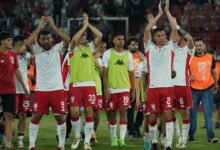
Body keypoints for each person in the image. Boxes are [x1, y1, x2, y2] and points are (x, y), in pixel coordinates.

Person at [25, 16, 70, 150]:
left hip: (57, 89)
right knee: (36, 116)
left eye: (48, 38)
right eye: (43, 39)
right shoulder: (36, 50)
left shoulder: (58, 49)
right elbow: (27, 44)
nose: (46, 40)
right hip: (41, 89)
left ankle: (61, 145)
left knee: (61, 118)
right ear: (39, 40)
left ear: (52, 39)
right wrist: (39, 28)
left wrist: (54, 26)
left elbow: (67, 40)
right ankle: (32, 144)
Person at [143, 0, 178, 149]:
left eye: (164, 35)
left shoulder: (171, 47)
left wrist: (168, 12)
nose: (163, 37)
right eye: (159, 36)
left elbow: (174, 28)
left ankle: (168, 145)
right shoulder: (149, 48)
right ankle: (154, 142)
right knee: (152, 118)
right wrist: (159, 14)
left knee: (168, 115)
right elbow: (147, 30)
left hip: (168, 88)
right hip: (153, 88)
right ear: (155, 38)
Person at [69, 13, 103, 150]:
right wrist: (83, 27)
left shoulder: (91, 48)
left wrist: (87, 24)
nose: (84, 37)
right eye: (82, 35)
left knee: (89, 113)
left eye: (85, 35)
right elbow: (73, 39)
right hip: (75, 84)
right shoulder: (72, 48)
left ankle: (87, 141)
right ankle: (77, 136)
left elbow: (99, 35)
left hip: (89, 85)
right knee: (75, 113)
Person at [102, 32, 135, 147]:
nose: (121, 41)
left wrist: (133, 90)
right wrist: (105, 90)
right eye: (119, 39)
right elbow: (104, 74)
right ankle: (113, 138)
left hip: (125, 88)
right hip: (112, 89)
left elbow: (131, 74)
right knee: (112, 114)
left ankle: (121, 139)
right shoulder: (107, 54)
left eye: (122, 39)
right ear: (113, 40)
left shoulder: (128, 55)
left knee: (124, 112)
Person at [0, 31, 29, 149]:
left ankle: (8, 143)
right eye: (8, 40)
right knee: (2, 119)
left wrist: (23, 86)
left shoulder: (12, 55)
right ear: (1, 41)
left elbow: (17, 71)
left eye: (11, 40)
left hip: (11, 90)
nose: (11, 42)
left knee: (9, 117)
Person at [189, 37, 218, 143]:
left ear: (204, 46)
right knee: (192, 114)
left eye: (200, 45)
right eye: (197, 46)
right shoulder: (190, 58)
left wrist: (215, 84)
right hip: (193, 90)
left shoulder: (210, 57)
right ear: (194, 47)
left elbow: (214, 72)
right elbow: (185, 72)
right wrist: (188, 77)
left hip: (207, 89)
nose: (199, 47)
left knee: (208, 114)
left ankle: (211, 137)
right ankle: (191, 135)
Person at [13, 35, 32, 148]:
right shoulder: (10, 54)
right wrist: (18, 50)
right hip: (12, 89)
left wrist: (23, 49)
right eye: (22, 45)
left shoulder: (27, 55)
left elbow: (29, 52)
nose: (24, 48)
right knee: (11, 114)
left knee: (23, 114)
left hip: (24, 89)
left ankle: (20, 140)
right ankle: (6, 136)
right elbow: (14, 52)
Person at [126, 37, 144, 138]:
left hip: (140, 85)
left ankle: (137, 126)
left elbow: (146, 62)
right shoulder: (126, 56)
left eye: (136, 45)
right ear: (128, 46)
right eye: (133, 44)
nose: (135, 46)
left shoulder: (139, 56)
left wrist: (140, 53)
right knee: (130, 110)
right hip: (129, 85)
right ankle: (132, 131)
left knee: (142, 108)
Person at [91, 41, 107, 143]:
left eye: (104, 47)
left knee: (97, 115)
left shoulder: (101, 60)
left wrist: (100, 67)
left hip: (98, 89)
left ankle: (92, 132)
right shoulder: (88, 56)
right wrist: (93, 60)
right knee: (90, 113)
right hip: (89, 88)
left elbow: (102, 75)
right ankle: (90, 134)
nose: (103, 49)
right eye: (101, 47)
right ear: (96, 47)